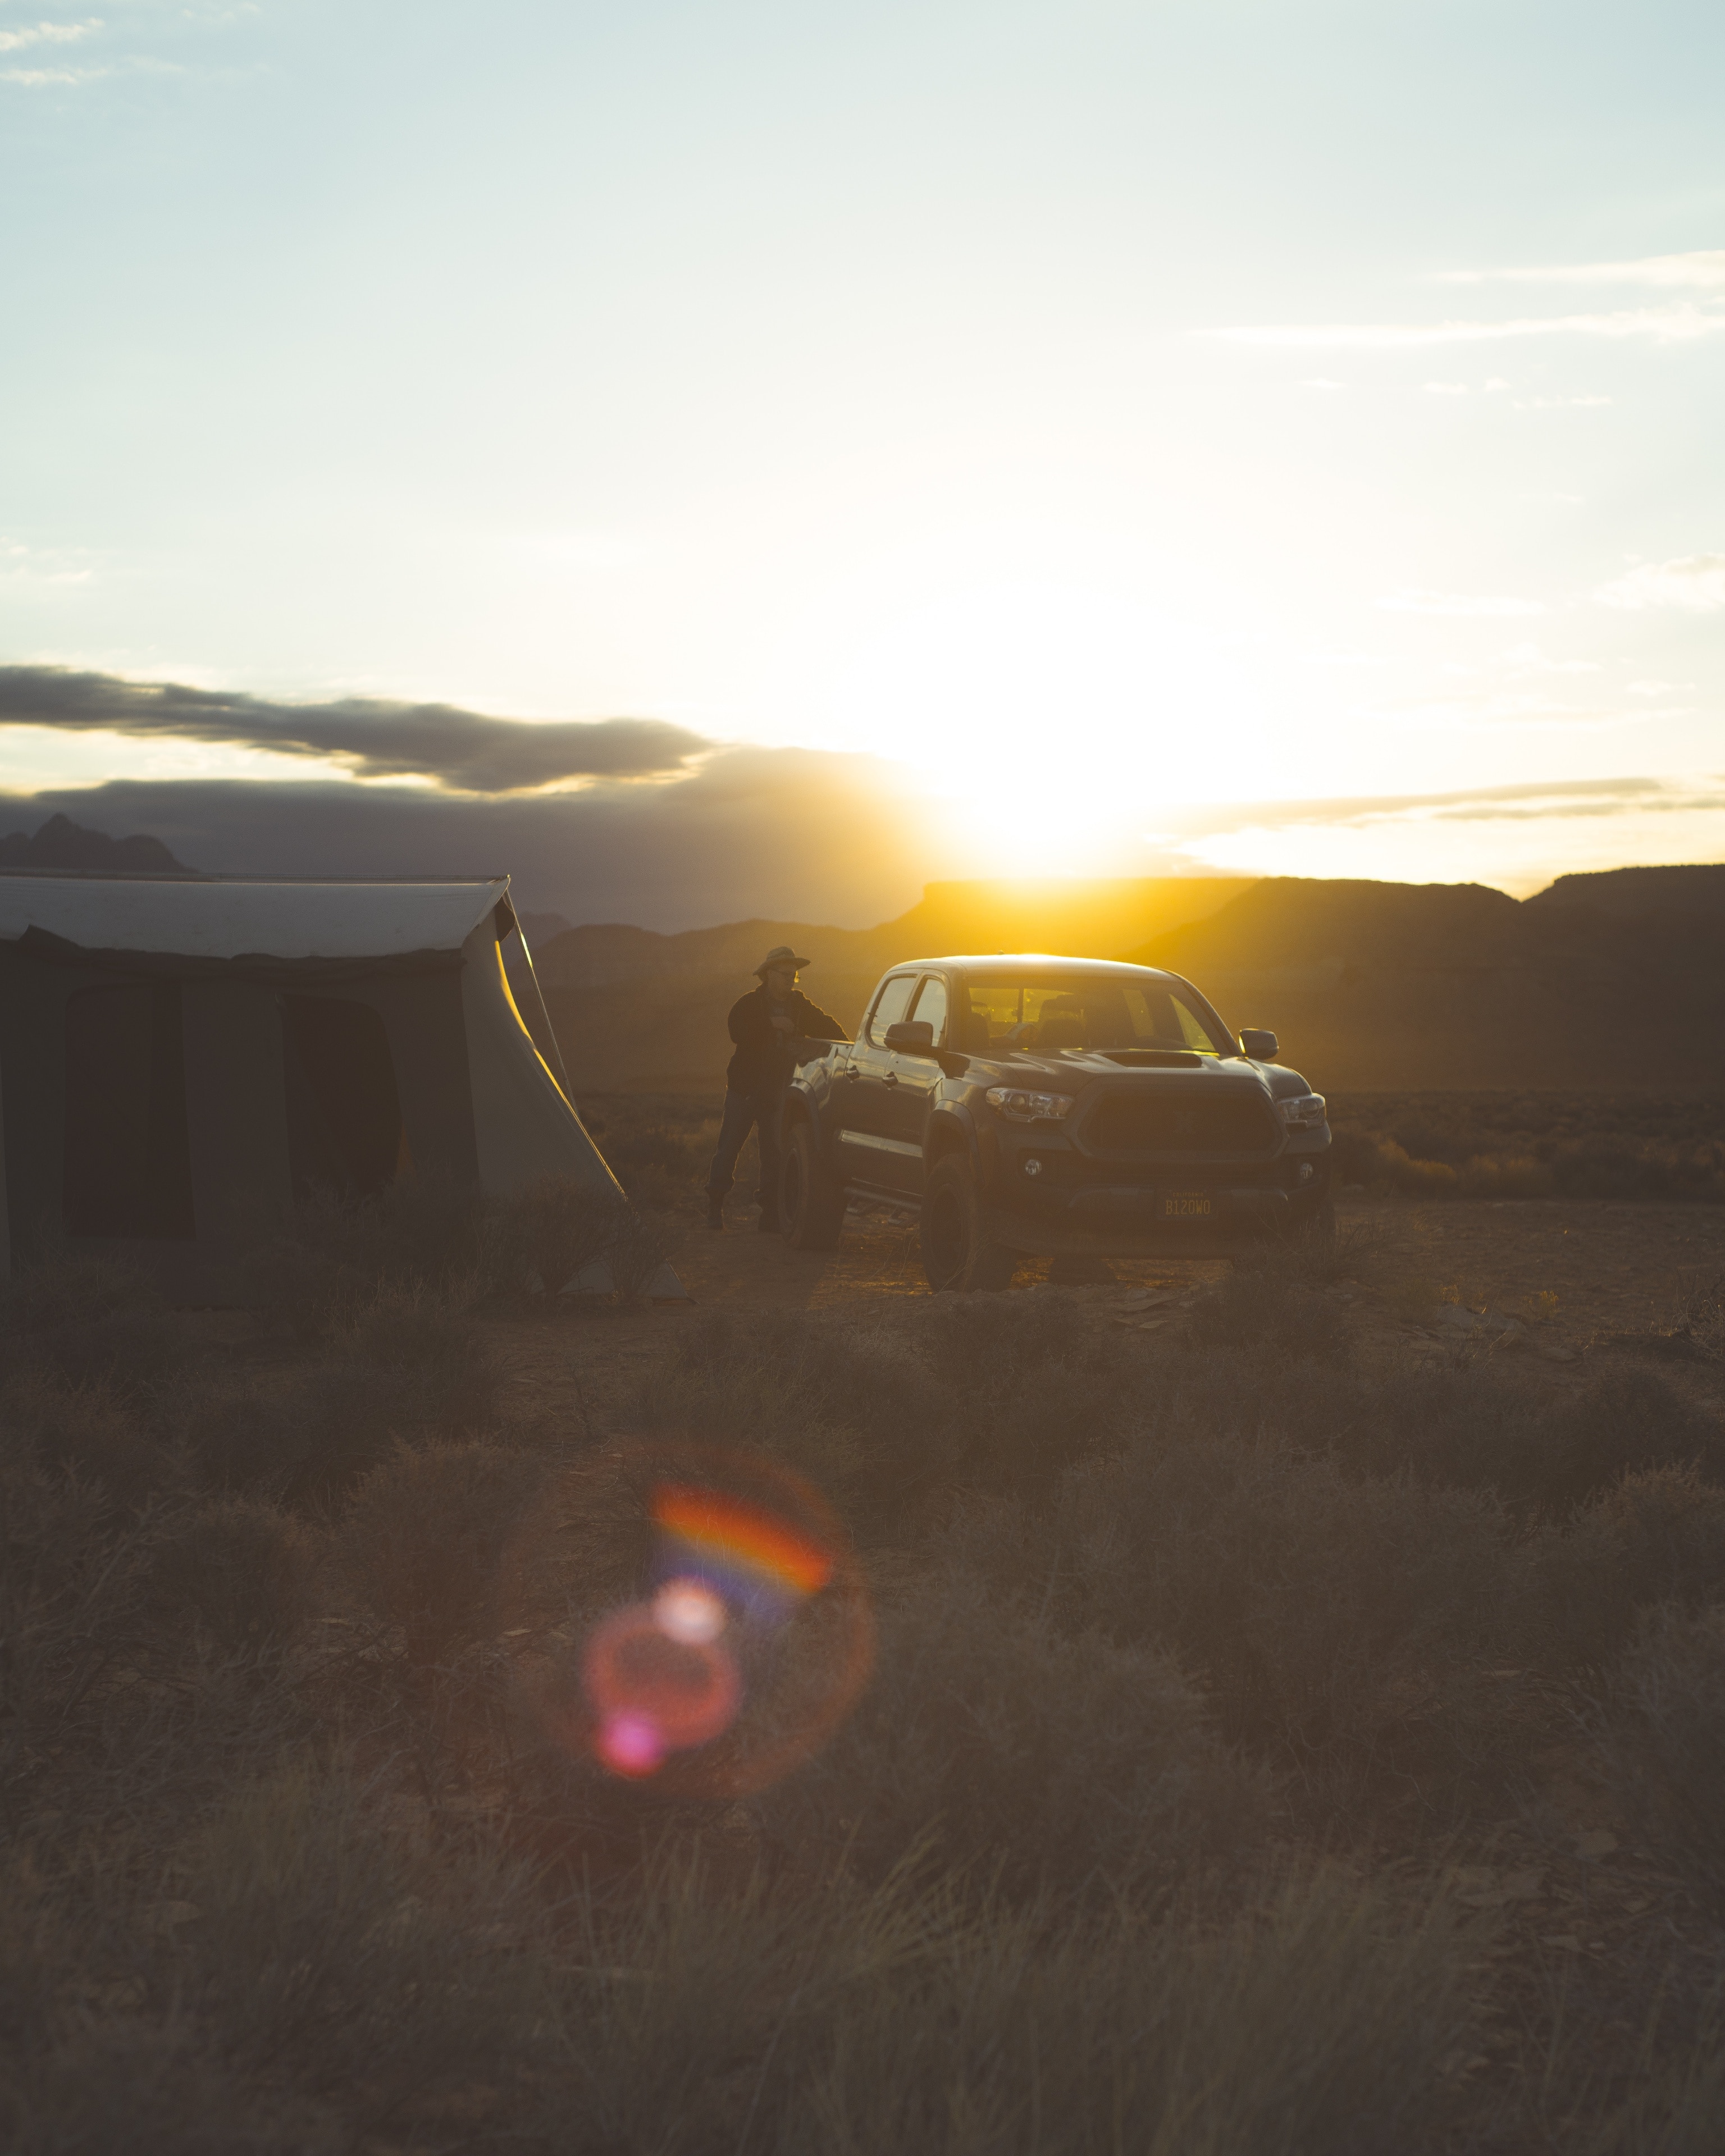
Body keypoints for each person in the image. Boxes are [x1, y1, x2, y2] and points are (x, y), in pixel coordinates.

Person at [706, 946, 848, 1232]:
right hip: (745, 1090)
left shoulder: (800, 1006)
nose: (790, 979)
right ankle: (715, 1206)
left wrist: (846, 1049)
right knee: (729, 1149)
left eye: (793, 975)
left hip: (778, 1093)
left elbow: (831, 1029)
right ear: (768, 974)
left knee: (773, 1154)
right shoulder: (748, 1004)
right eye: (785, 974)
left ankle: (769, 1215)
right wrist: (772, 1025)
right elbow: (738, 1032)